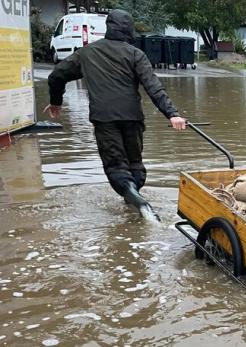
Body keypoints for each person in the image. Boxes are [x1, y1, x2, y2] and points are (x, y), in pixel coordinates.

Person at [44, 9, 186, 217]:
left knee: (116, 166)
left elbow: (56, 76)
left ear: (108, 28)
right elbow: (153, 86)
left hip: (104, 119)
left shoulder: (87, 53)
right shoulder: (136, 54)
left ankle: (137, 201)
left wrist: (56, 101)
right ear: (129, 30)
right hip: (132, 118)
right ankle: (135, 201)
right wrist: (172, 114)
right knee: (135, 164)